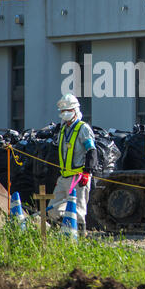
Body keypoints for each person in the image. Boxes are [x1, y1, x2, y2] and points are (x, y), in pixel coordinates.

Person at [48, 93, 97, 236]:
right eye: (63, 111)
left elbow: (91, 151)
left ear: (75, 110)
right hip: (64, 177)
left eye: (68, 110)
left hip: (79, 176)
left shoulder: (83, 128)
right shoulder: (63, 129)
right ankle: (62, 230)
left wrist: (87, 173)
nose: (65, 113)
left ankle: (80, 236)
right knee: (52, 209)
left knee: (79, 209)